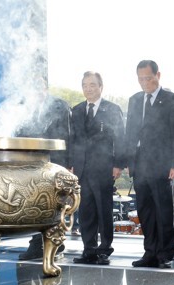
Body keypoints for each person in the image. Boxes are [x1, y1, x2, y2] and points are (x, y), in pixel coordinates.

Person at [125, 60, 174, 269]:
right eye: (141, 79)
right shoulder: (134, 100)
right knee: (145, 210)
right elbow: (129, 132)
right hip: (139, 163)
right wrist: (128, 160)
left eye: (148, 78)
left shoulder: (172, 99)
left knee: (163, 210)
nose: (145, 83)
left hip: (162, 163)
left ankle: (165, 252)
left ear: (158, 75)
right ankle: (149, 251)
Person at [69, 71, 125, 265]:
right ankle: (89, 249)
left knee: (104, 210)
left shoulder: (112, 109)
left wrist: (118, 164)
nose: (88, 89)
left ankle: (104, 249)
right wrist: (71, 165)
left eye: (92, 85)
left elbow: (120, 138)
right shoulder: (76, 110)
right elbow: (72, 140)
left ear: (101, 87)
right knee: (85, 211)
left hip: (104, 168)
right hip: (82, 169)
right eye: (85, 85)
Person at [17, 86, 71, 260]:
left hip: (55, 162)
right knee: (35, 203)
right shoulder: (21, 105)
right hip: (30, 164)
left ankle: (56, 241)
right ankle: (37, 242)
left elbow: (68, 136)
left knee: (55, 204)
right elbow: (19, 133)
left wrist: (69, 164)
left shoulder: (60, 106)